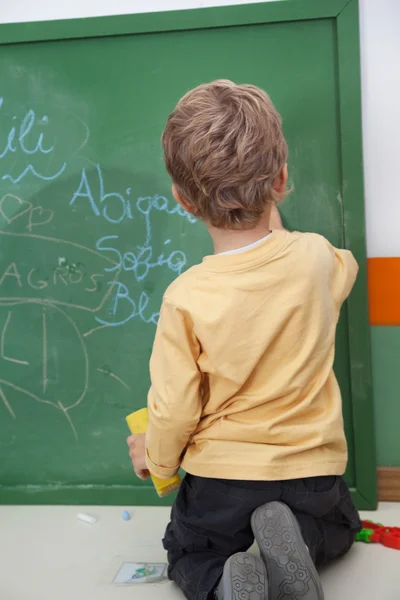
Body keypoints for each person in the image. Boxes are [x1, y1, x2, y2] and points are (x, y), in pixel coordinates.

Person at [127, 80, 361, 600]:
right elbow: (348, 270)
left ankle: (224, 581)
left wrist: (157, 460)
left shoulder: (187, 297)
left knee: (189, 551)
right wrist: (272, 223)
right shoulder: (318, 259)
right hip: (311, 477)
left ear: (183, 200)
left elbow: (175, 408)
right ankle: (297, 534)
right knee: (342, 527)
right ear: (281, 180)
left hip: (221, 487)